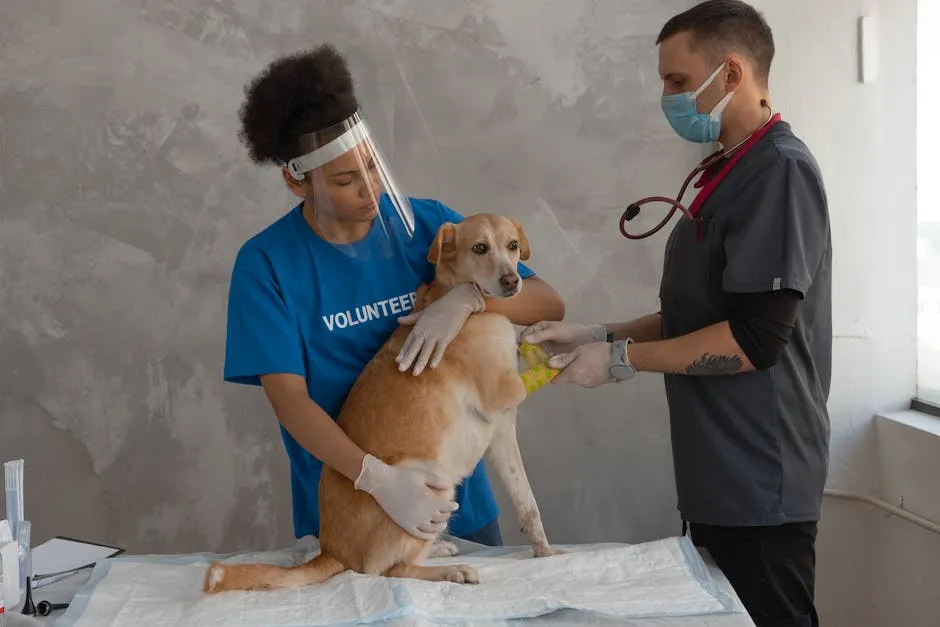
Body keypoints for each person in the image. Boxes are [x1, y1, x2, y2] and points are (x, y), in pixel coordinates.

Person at [522, 2, 830, 626]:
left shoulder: (781, 172)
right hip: (716, 475)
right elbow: (699, 315)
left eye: (678, 82)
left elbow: (754, 338)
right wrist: (601, 331)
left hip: (760, 480)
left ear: (733, 73)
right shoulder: (724, 171)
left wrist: (619, 360)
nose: (666, 96)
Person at [223, 45, 565, 547]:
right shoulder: (267, 265)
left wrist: (469, 300)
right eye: (345, 180)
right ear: (298, 182)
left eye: (373, 167)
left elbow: (546, 301)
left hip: (457, 502)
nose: (370, 190)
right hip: (360, 511)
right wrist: (377, 480)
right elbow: (290, 402)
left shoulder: (425, 224)